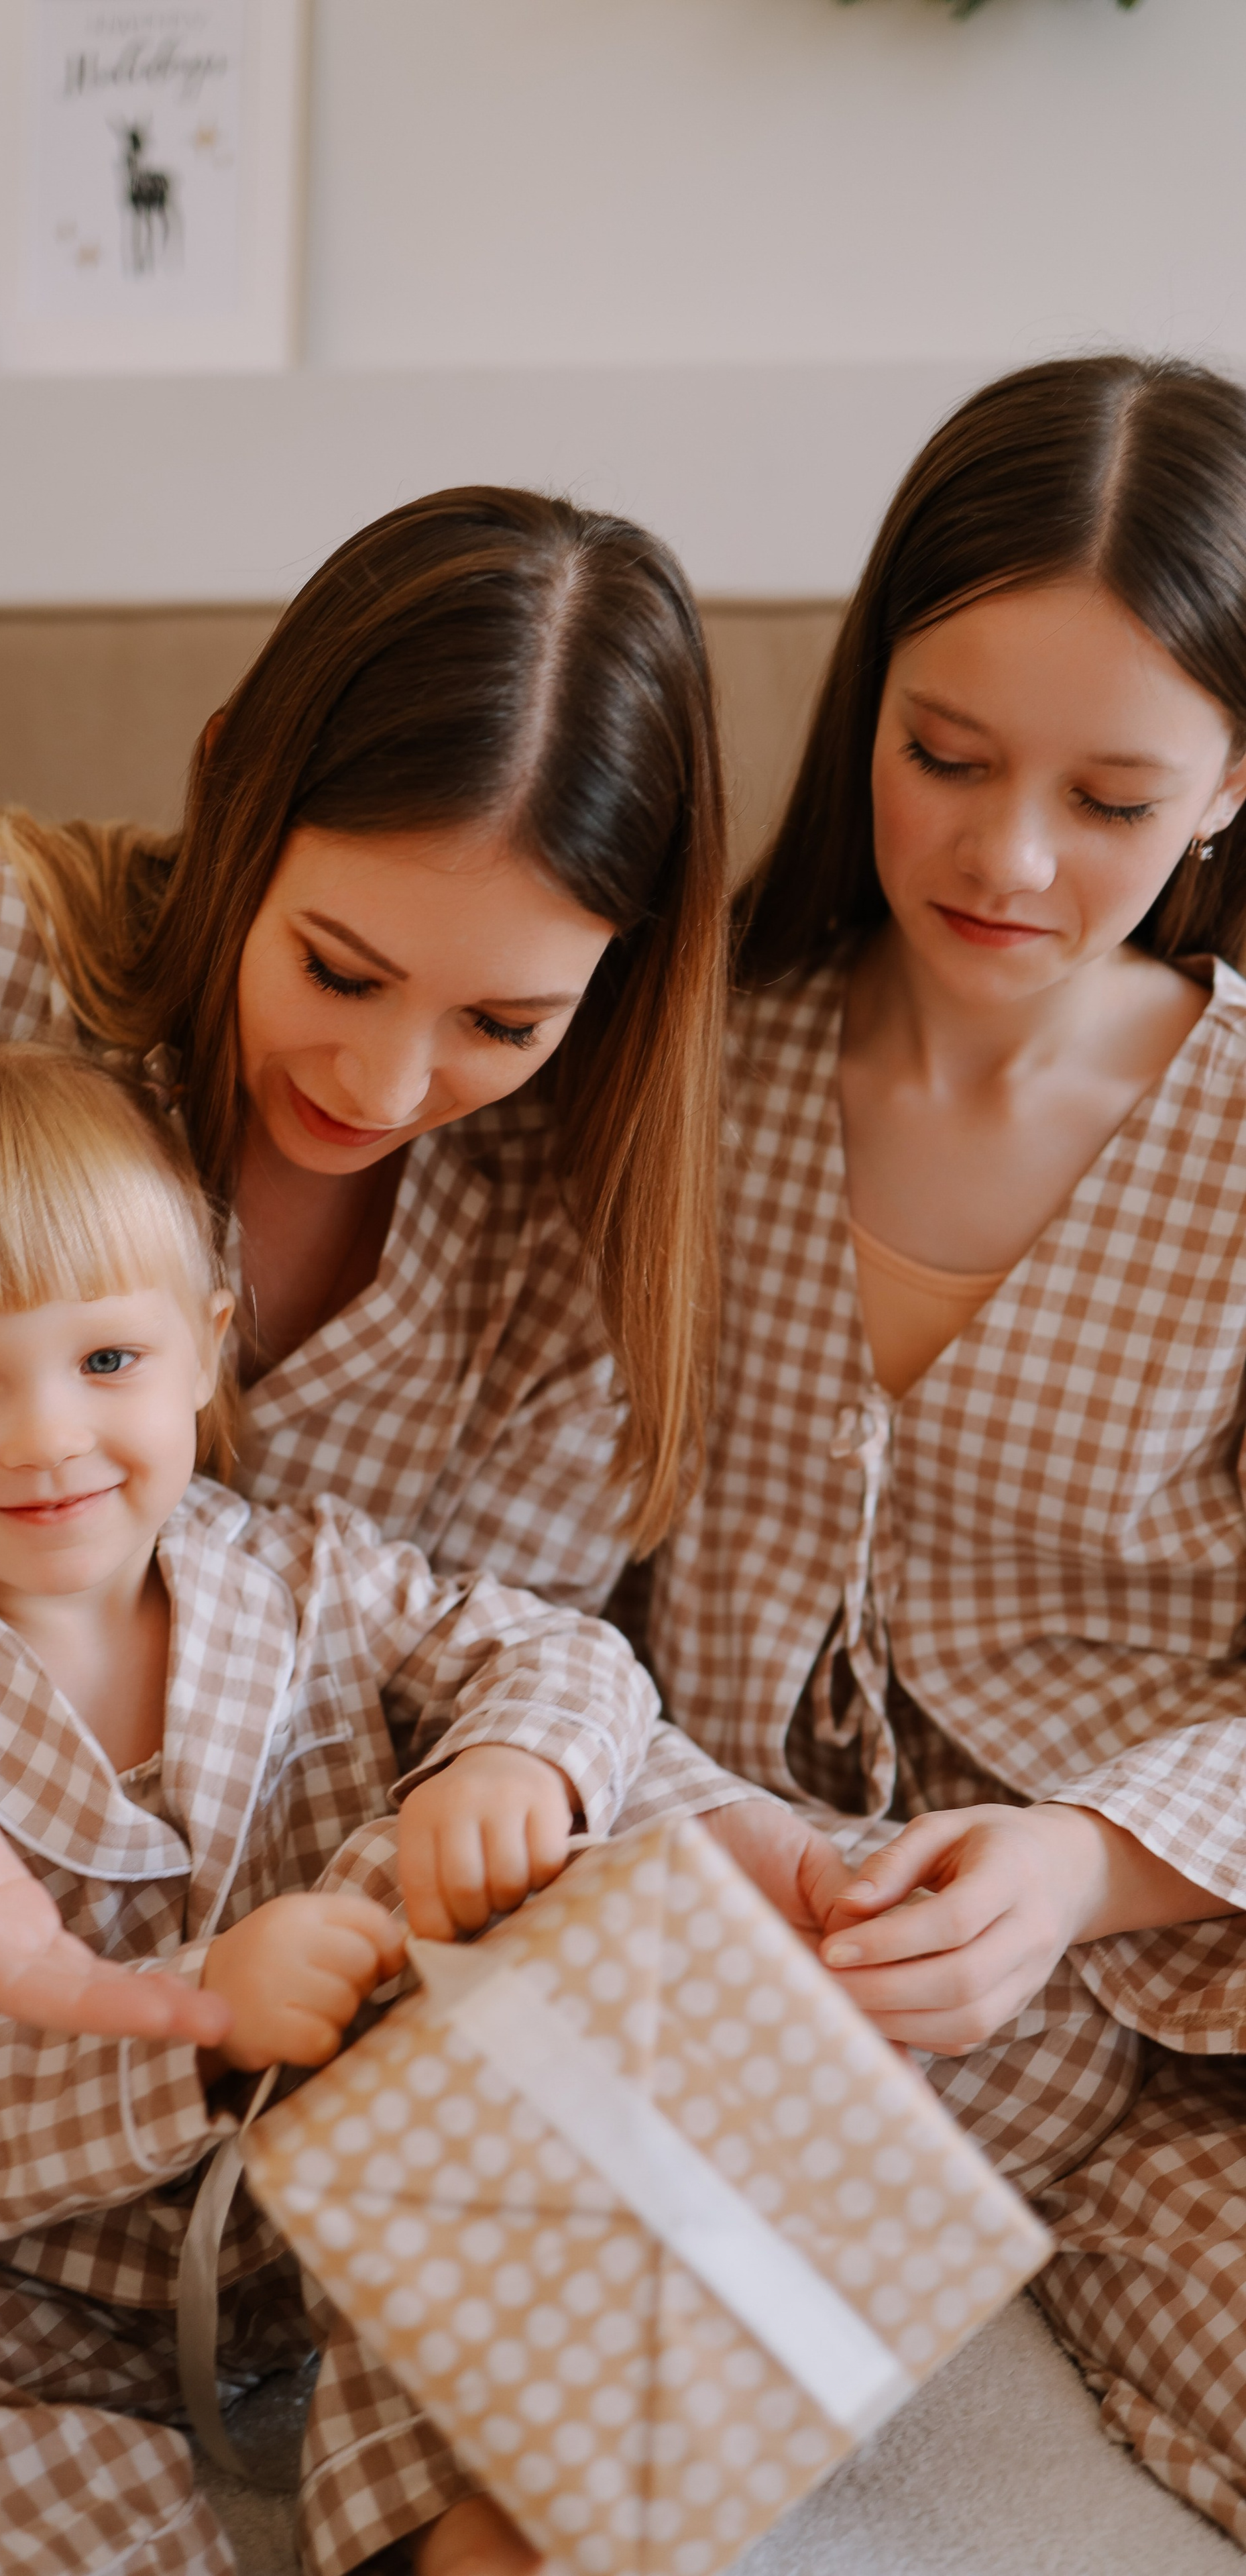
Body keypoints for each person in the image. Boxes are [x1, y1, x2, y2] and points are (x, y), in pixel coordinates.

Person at [0, 484, 736, 2057]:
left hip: (272, 2015)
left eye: (501, 1025)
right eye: (339, 968)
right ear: (230, 793)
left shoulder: (576, 1210)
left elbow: (506, 1680)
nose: (383, 1089)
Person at [0, 1041, 659, 2576]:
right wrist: (196, 2025)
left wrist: (511, 1767)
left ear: (205, 1343)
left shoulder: (313, 1578)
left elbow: (560, 1649)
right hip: (21, 2269)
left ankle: (439, 2526)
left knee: (573, 2055)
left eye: (106, 1362)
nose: (44, 1439)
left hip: (352, 2227)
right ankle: (112, 2531)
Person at [634, 354, 1246, 2542]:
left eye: (1109, 797)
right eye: (945, 755)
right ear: (864, 702)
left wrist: (1078, 1868)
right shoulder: (683, 1066)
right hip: (737, 1971)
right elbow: (502, 1555)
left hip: (1187, 2030)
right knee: (550, 2407)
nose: (1004, 856)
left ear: (1233, 783)